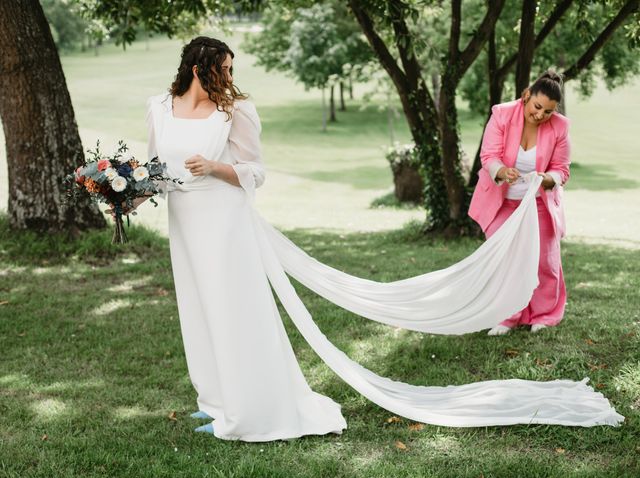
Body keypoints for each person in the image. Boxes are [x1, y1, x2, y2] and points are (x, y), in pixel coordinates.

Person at [132, 39, 621, 441]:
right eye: (222, 69)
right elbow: (155, 168)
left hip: (225, 223)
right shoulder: (160, 107)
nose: (229, 78)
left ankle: (248, 407)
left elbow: (255, 172)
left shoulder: (231, 112)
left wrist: (215, 168)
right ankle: (214, 401)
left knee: (231, 311)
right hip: (185, 224)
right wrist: (123, 190)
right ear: (197, 69)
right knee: (197, 310)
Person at [468, 70, 571, 336]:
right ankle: (507, 315)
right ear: (526, 96)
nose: (540, 115)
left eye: (548, 111)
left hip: (538, 203)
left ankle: (544, 314)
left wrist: (547, 179)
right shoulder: (502, 114)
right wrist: (502, 171)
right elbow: (488, 155)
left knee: (544, 261)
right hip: (502, 203)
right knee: (505, 260)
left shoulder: (560, 127)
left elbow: (562, 169)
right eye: (537, 107)